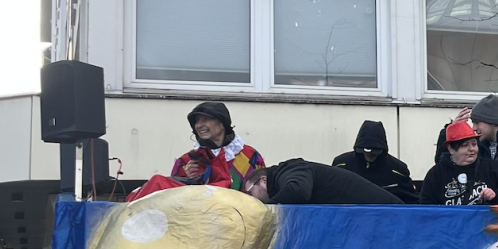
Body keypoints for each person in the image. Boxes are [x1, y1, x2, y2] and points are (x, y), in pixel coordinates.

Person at [130, 102, 266, 202]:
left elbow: (261, 193)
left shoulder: (250, 156)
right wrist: (187, 178)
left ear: (222, 122)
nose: (199, 125)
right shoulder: (186, 161)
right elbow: (174, 201)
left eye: (205, 119)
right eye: (197, 121)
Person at [421, 121, 498, 206]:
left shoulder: (492, 167)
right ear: (451, 149)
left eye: (474, 144)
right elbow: (425, 208)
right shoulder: (436, 174)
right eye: (465, 145)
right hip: (449, 228)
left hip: (486, 227)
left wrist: (496, 195)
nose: (472, 149)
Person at [241, 160, 404, 206]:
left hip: (390, 211)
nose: (250, 197)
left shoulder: (291, 169)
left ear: (263, 180)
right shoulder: (286, 175)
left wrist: (269, 208)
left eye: (249, 192)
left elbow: (298, 190)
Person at [331, 121, 417, 204]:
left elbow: (411, 201)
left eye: (375, 151)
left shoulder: (398, 169)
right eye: (366, 150)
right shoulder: (341, 165)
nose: (370, 154)